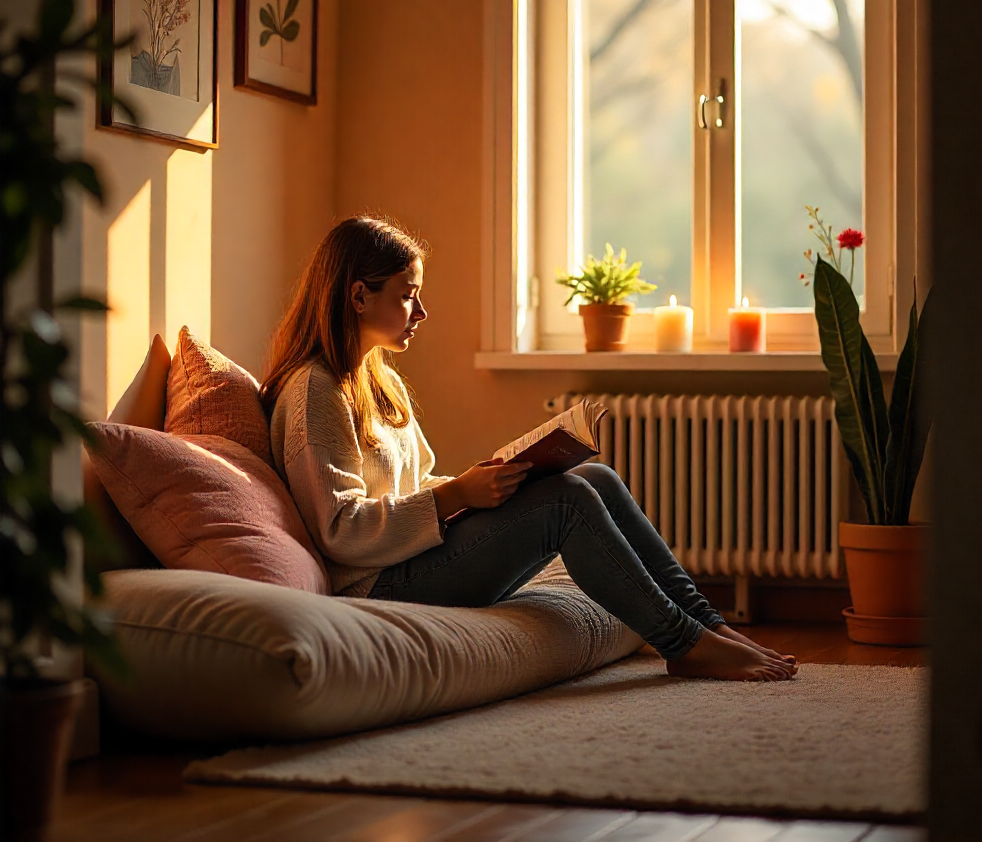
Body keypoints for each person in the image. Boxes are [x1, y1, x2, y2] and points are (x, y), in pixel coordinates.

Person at [260, 216, 797, 682]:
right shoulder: (316, 392)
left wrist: (482, 483)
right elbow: (340, 530)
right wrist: (455, 499)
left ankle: (709, 625)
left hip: (419, 554)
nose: (421, 311)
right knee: (565, 502)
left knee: (596, 479)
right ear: (358, 296)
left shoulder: (382, 383)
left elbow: (416, 482)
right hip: (377, 586)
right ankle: (684, 645)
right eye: (407, 295)